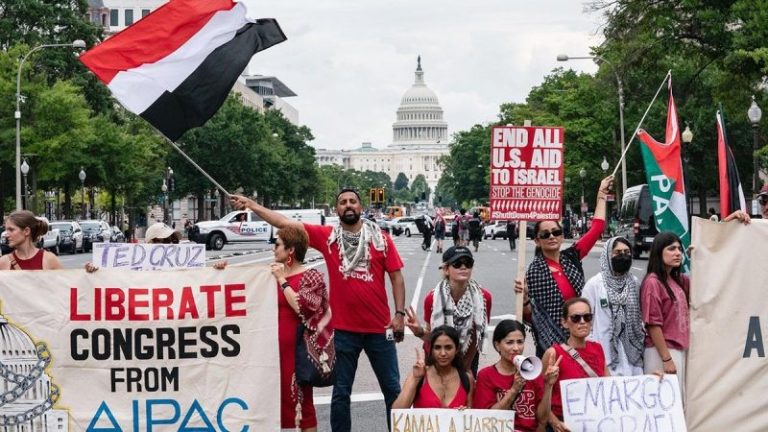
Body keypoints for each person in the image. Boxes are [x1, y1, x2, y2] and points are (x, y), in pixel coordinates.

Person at [231, 189, 405, 432]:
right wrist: (252, 205)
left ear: (361, 207)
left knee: (393, 391)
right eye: (343, 202)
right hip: (343, 331)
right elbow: (284, 223)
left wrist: (399, 314)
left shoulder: (382, 239)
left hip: (380, 329)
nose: (348, 205)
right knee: (341, 394)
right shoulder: (327, 237)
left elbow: (396, 277)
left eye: (352, 201)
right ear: (337, 210)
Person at [516, 175, 613, 357]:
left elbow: (597, 228)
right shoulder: (533, 273)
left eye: (556, 232)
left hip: (582, 336)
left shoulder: (572, 257)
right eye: (545, 235)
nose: (551, 237)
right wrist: (524, 299)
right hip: (550, 346)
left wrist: (601, 194)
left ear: (562, 236)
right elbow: (531, 317)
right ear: (537, 241)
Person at [270, 225, 334, 431]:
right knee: (272, 402)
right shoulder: (271, 273)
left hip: (297, 351)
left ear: (291, 250)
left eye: (277, 244)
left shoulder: (310, 276)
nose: (273, 249)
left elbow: (302, 308)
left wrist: (282, 280)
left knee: (302, 404)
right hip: (272, 352)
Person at [405, 246, 491, 375]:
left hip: (468, 357)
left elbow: (476, 336)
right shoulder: (432, 299)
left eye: (468, 263)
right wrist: (419, 331)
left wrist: (465, 368)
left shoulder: (484, 298)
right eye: (457, 264)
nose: (463, 267)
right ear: (446, 269)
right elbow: (433, 338)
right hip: (437, 357)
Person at [474, 320, 561, 432]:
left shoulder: (533, 372)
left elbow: (543, 419)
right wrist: (514, 390)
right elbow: (487, 418)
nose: (516, 348)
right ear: (497, 345)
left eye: (520, 342)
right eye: (509, 342)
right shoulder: (486, 376)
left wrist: (549, 385)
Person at [542, 297, 609, 431]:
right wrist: (555, 423)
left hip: (594, 421)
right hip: (565, 423)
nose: (582, 322)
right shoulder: (553, 353)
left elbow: (610, 385)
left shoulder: (597, 348)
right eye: (575, 318)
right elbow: (541, 397)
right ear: (565, 322)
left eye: (587, 317)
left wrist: (651, 380)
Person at [582, 237, 644, 376]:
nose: (623, 256)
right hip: (604, 355)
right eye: (617, 252)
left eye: (627, 252)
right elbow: (585, 321)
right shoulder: (595, 284)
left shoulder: (634, 283)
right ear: (608, 256)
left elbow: (641, 317)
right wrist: (591, 351)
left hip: (632, 354)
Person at [640, 231, 690, 397]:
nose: (677, 253)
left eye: (679, 249)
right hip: (661, 352)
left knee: (679, 404)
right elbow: (653, 324)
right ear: (659, 252)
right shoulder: (653, 282)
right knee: (664, 406)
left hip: (679, 350)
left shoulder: (678, 280)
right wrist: (666, 359)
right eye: (671, 249)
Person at [392, 326, 473, 409]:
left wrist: (465, 411)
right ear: (431, 350)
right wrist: (415, 379)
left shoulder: (467, 379)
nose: (443, 353)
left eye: (448, 347)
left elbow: (472, 416)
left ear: (457, 349)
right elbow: (397, 411)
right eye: (437, 347)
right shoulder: (419, 375)